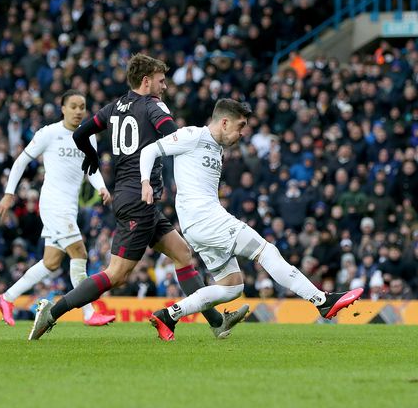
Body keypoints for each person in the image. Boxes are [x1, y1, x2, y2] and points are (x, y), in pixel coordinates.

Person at [28, 54, 239, 340]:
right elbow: (175, 138)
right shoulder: (153, 106)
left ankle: (216, 323)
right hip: (140, 198)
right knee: (116, 275)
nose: (164, 86)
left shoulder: (115, 106)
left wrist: (91, 154)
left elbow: (80, 134)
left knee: (182, 253)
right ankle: (52, 313)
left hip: (134, 198)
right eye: (161, 81)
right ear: (146, 80)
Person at [139, 99, 363, 340]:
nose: (242, 133)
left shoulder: (217, 148)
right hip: (206, 219)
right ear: (224, 122)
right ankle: (322, 300)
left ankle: (169, 315)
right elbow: (149, 150)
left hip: (197, 225)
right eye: (240, 125)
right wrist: (145, 182)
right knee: (266, 251)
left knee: (232, 286)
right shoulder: (193, 135)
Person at [0, 90, 115, 327]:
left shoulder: (88, 136)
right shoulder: (49, 133)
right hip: (53, 204)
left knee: (50, 263)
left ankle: (6, 298)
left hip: (69, 206)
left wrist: (101, 187)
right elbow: (21, 161)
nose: (79, 111)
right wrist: (9, 194)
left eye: (82, 106)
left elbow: (91, 168)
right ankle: (89, 312)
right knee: (79, 253)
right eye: (74, 106)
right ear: (63, 108)